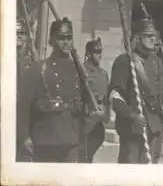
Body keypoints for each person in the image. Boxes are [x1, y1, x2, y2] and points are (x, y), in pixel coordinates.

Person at [18, 17, 89, 162]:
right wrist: (24, 136)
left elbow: (85, 103)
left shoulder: (79, 71)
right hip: (45, 139)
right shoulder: (38, 69)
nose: (66, 42)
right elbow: (23, 106)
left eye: (69, 38)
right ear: (51, 41)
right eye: (61, 38)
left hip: (72, 139)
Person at [109, 8, 163, 164]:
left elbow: (162, 92)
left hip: (155, 125)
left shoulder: (157, 61)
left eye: (154, 36)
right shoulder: (125, 61)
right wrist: (132, 115)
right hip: (133, 127)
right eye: (148, 36)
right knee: (130, 171)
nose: (153, 40)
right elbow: (114, 96)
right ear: (137, 38)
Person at [81, 37, 109, 163]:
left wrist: (105, 114)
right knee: (83, 157)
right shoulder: (82, 71)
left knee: (91, 151)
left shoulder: (103, 73)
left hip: (98, 122)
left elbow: (106, 98)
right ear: (88, 54)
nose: (100, 55)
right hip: (84, 122)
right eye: (96, 52)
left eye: (100, 52)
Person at [16, 18, 32, 162]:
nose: (19, 35)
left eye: (22, 32)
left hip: (26, 114)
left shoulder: (30, 59)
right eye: (16, 33)